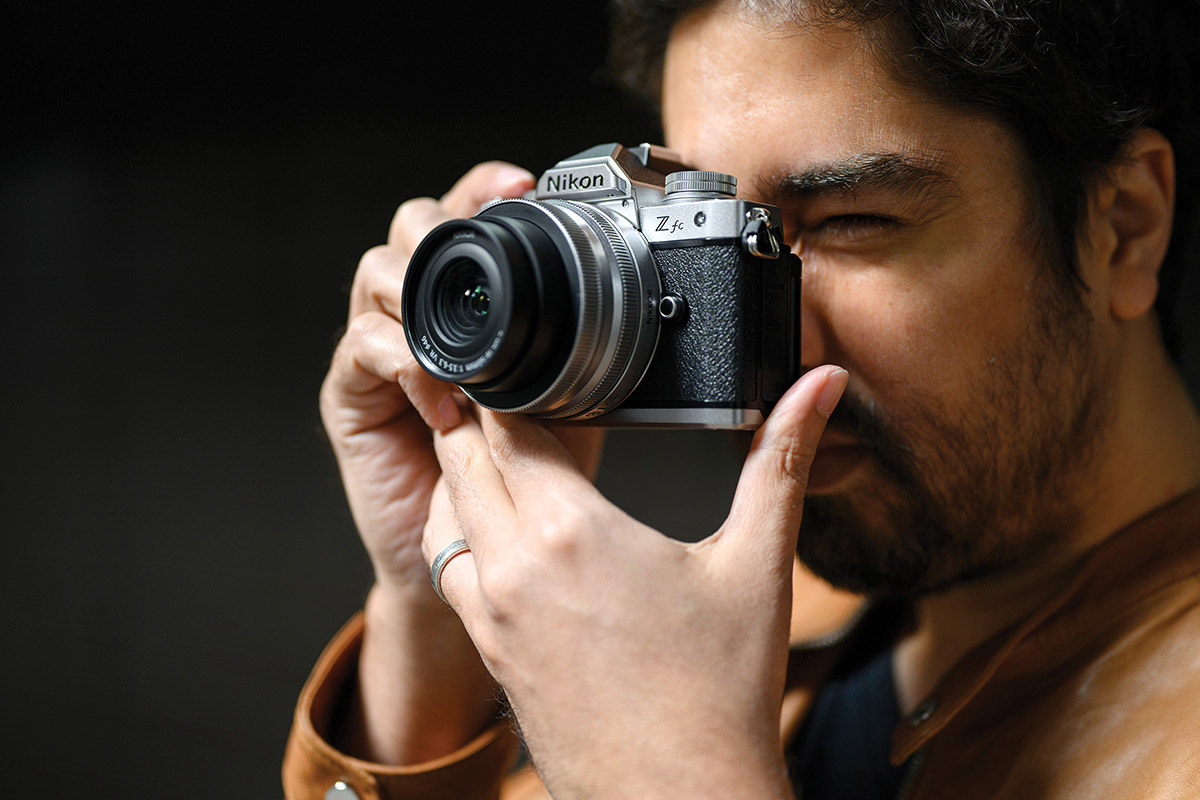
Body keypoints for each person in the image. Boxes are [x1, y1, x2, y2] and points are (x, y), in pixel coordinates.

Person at [283, 1, 1200, 798]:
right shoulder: (733, 626)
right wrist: (434, 622)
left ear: (1124, 230)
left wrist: (679, 780)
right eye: (719, 240)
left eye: (852, 224)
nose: (770, 350)